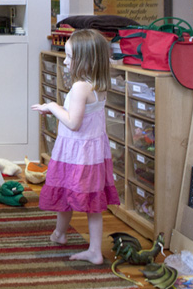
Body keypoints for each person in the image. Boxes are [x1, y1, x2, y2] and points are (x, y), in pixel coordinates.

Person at [31, 29, 120, 264]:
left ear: (86, 60)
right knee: (91, 203)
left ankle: (66, 237)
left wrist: (52, 106)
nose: (65, 61)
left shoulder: (81, 87)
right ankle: (87, 246)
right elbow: (83, 117)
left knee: (66, 194)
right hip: (92, 155)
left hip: (76, 155)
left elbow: (73, 122)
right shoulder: (97, 84)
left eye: (70, 56)